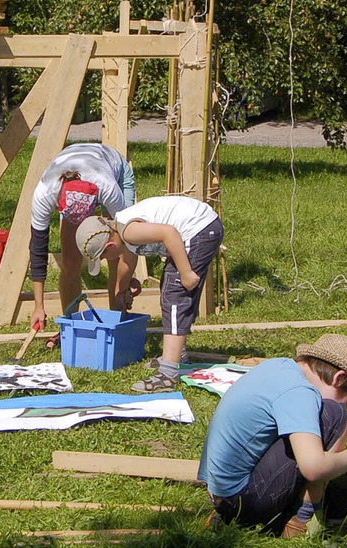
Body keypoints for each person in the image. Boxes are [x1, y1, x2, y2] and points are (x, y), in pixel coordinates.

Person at [198, 334, 347, 538]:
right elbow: (313, 467)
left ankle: (319, 507)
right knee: (335, 416)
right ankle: (300, 521)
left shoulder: (279, 367)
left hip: (223, 495)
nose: (345, 405)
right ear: (339, 378)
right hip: (242, 501)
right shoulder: (299, 393)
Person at [75, 195, 223, 392]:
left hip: (199, 229)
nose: (106, 260)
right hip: (199, 227)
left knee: (175, 295)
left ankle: (168, 374)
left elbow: (168, 233)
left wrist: (186, 273)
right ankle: (175, 356)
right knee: (170, 289)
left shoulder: (129, 232)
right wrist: (122, 289)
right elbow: (128, 263)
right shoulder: (121, 229)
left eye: (103, 257)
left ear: (110, 246)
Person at [29, 143, 136, 336]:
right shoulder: (44, 193)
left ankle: (117, 323)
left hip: (114, 169)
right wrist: (38, 306)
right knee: (70, 262)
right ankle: (70, 328)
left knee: (114, 254)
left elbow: (129, 237)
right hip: (74, 167)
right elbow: (38, 251)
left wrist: (127, 280)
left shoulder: (107, 187)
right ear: (59, 203)